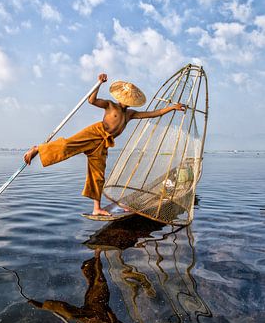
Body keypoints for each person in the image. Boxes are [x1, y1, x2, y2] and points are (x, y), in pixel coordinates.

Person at [24, 73, 185, 216]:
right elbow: (91, 100)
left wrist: (172, 108)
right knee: (67, 146)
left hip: (104, 143)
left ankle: (97, 208)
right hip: (95, 132)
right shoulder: (110, 105)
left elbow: (153, 113)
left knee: (98, 175)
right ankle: (37, 148)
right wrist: (99, 84)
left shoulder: (130, 114)